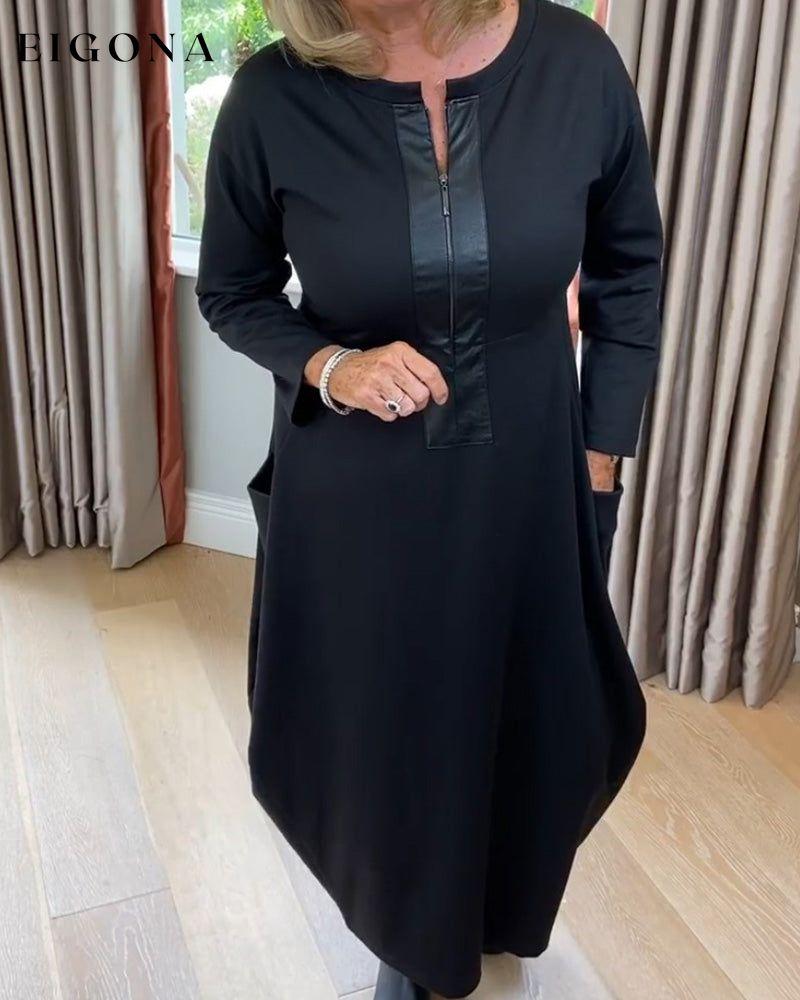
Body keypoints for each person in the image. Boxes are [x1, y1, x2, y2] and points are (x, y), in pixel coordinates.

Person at [195, 0, 664, 996]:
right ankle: (414, 943)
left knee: (547, 718)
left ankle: (494, 914)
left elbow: (629, 274)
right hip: (359, 498)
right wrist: (332, 364)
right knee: (390, 736)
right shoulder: (271, 96)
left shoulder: (576, 63)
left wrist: (598, 462)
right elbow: (231, 290)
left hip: (535, 480)